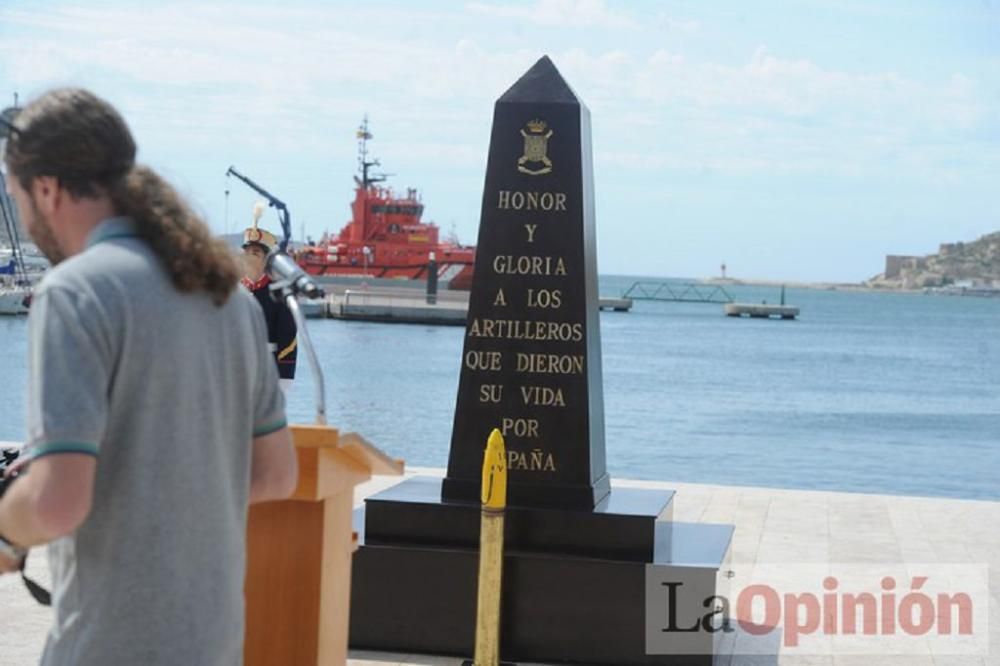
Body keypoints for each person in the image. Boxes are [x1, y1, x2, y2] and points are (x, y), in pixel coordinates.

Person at [0, 88, 298, 665]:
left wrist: (8, 524)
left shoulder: (74, 292)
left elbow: (58, 506)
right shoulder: (229, 302)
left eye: (16, 196)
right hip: (213, 645)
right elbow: (277, 474)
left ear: (47, 189)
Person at [241, 203, 297, 392]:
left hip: (268, 371)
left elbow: (288, 339)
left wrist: (284, 379)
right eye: (247, 252)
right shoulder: (234, 290)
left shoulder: (278, 293)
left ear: (266, 259)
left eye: (256, 252)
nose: (250, 256)